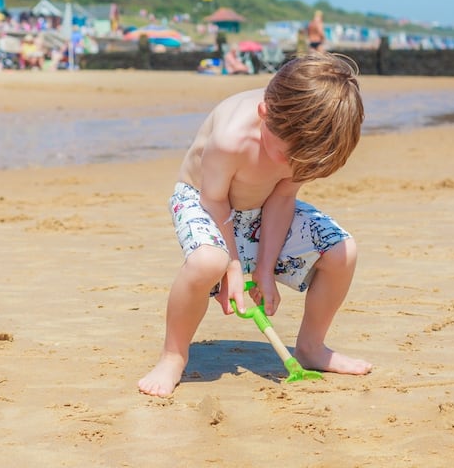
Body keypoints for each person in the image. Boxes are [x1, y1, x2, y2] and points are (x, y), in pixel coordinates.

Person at [138, 51, 373, 398]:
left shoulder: (301, 140)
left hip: (262, 207)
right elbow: (214, 200)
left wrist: (264, 269)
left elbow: (282, 197)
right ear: (265, 114)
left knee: (342, 250)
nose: (292, 164)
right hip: (203, 200)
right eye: (287, 156)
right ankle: (173, 354)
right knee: (209, 262)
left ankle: (311, 347)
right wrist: (233, 266)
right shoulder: (231, 138)